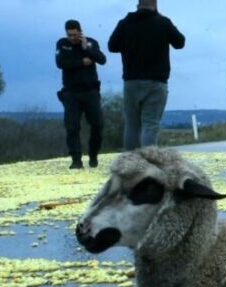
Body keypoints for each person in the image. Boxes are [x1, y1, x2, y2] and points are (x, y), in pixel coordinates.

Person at [108, 0, 185, 150]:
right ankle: (148, 165)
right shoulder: (163, 22)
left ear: (138, 4)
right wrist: (160, 18)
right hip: (157, 82)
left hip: (131, 81)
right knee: (150, 125)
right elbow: (180, 42)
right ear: (155, 5)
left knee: (132, 125)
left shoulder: (125, 23)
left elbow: (112, 46)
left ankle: (130, 163)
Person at [55, 19, 106, 169]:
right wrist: (82, 62)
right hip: (71, 92)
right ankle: (76, 160)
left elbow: (102, 59)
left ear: (80, 32)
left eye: (75, 35)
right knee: (72, 127)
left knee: (97, 125)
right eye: (70, 35)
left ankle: (93, 156)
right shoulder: (62, 44)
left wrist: (87, 48)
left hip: (90, 91)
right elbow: (61, 63)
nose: (72, 38)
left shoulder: (91, 42)